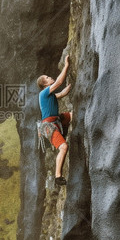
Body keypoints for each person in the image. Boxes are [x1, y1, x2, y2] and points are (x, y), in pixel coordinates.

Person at [37, 55, 73, 186]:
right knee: (63, 147)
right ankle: (58, 176)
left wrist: (71, 86)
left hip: (56, 120)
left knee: (73, 115)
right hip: (48, 126)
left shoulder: (50, 95)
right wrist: (67, 66)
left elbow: (62, 93)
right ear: (45, 84)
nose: (49, 77)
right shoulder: (43, 93)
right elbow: (58, 82)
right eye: (47, 78)